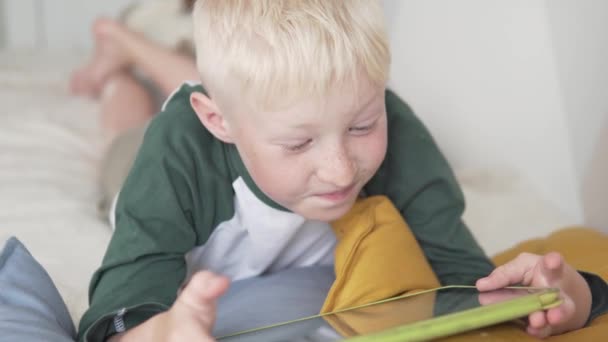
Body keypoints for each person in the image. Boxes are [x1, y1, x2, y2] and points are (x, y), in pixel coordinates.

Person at [77, 1, 608, 341]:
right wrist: (153, 334)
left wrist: (569, 296)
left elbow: (460, 279)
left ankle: (135, 50)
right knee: (125, 129)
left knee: (252, 94)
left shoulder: (397, 131)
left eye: (361, 126)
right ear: (218, 123)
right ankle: (121, 58)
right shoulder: (174, 161)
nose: (338, 171)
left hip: (237, 111)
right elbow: (122, 303)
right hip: (145, 157)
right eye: (300, 141)